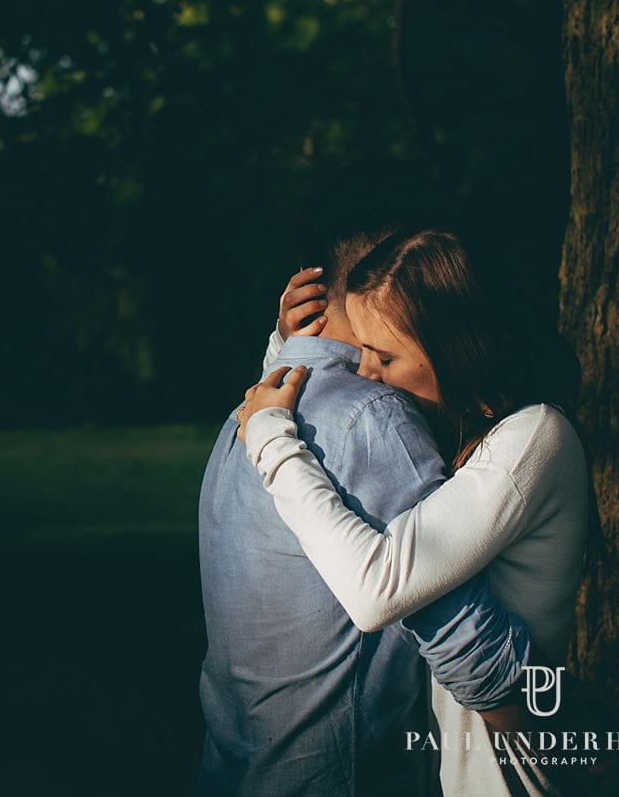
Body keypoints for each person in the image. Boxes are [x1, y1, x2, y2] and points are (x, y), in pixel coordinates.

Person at [240, 228, 594, 796]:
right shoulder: (467, 423)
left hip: (504, 776)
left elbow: (375, 591)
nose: (364, 374)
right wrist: (289, 348)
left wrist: (271, 441)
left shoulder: (533, 437)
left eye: (384, 356)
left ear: (454, 347)